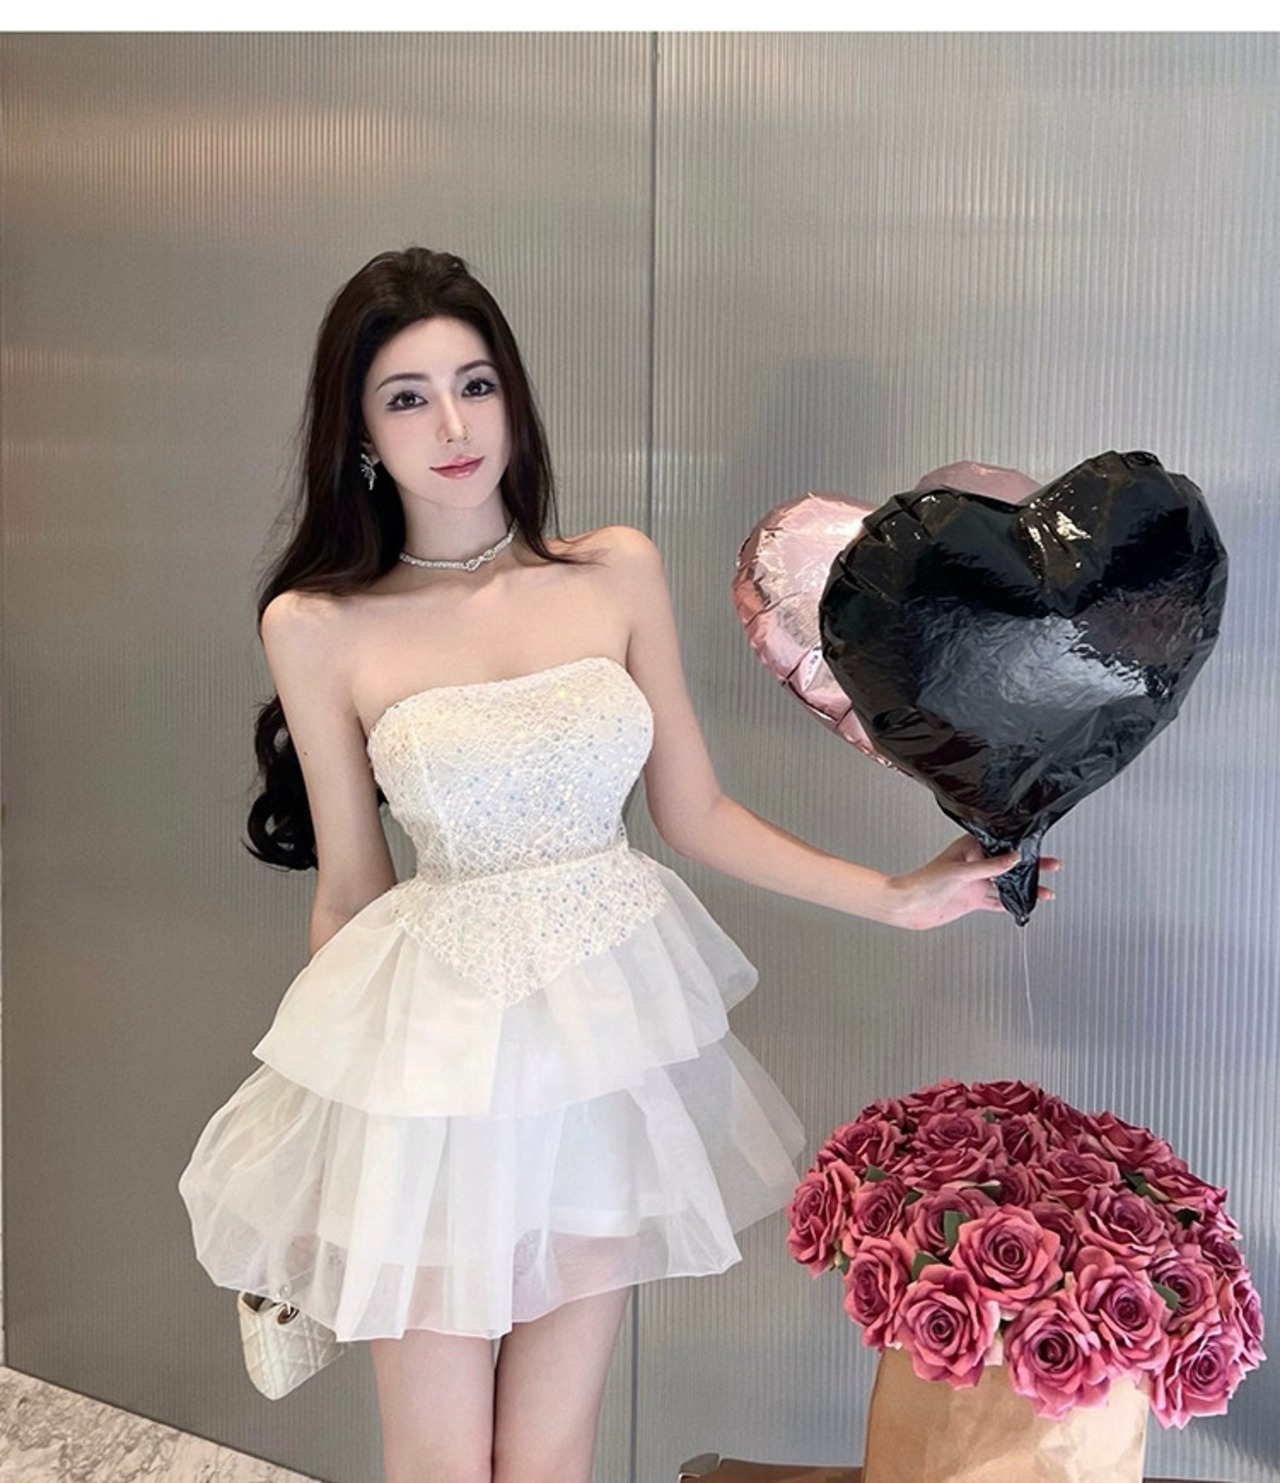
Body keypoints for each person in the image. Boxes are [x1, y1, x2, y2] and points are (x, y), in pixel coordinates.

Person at [179, 247, 1057, 1483]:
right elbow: (353, 892)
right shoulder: (317, 625)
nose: (452, 427)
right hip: (434, 1065)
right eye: (407, 396)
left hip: (598, 1054)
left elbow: (693, 811)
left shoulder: (614, 569)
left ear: (512, 396)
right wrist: (330, 1125)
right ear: (360, 431)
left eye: (474, 384)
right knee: (438, 1457)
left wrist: (894, 897)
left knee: (549, 1450)